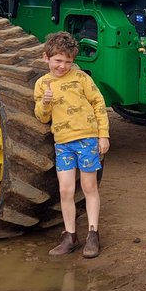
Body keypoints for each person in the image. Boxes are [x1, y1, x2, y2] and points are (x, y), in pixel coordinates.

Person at [33, 32, 110, 258]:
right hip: (63, 143)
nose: (63, 66)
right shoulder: (42, 84)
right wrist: (45, 103)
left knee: (89, 187)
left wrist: (103, 135)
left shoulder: (81, 78)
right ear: (46, 57)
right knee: (65, 189)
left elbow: (98, 103)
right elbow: (42, 117)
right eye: (58, 61)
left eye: (68, 62)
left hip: (87, 139)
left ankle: (93, 235)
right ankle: (70, 236)